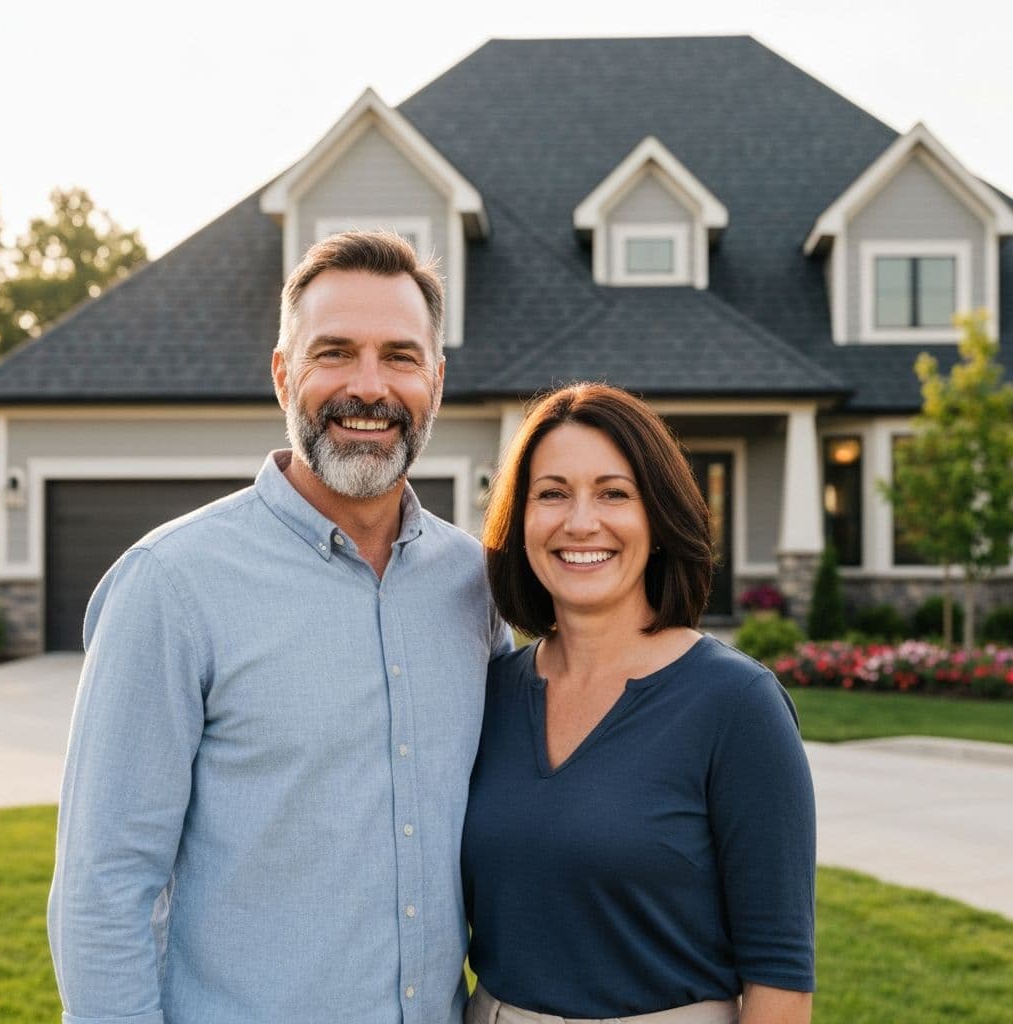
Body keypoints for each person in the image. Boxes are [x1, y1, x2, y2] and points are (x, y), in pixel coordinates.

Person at [48, 231, 511, 1024]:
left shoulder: (477, 585)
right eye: (334, 352)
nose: (369, 387)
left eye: (400, 357)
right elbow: (104, 884)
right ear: (282, 373)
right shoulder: (171, 586)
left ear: (435, 380)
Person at [462, 383, 816, 1024]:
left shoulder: (738, 706)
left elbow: (780, 983)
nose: (580, 522)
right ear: (520, 522)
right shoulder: (488, 694)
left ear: (658, 518)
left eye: (613, 492)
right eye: (552, 493)